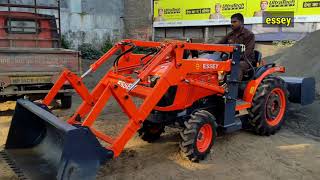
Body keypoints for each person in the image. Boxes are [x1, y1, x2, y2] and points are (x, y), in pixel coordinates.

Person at [217, 13, 255, 81]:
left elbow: (248, 52)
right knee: (216, 63)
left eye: (234, 22)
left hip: (245, 61)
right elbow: (218, 44)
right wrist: (203, 50)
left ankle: (234, 89)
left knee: (237, 66)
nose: (232, 24)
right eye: (231, 22)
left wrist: (232, 60)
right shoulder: (230, 34)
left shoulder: (249, 35)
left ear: (241, 22)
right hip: (231, 59)